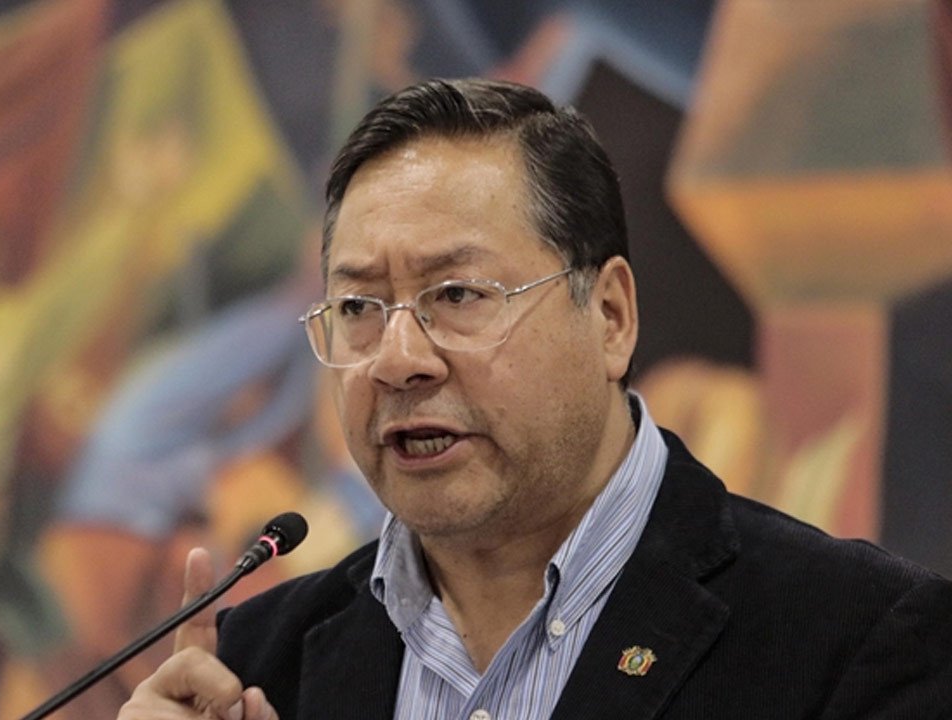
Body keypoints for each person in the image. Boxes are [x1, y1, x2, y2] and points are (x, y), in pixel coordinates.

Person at [116, 78, 952, 720]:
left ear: (611, 316)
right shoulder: (254, 671)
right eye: (359, 307)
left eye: (458, 295)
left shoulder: (856, 638)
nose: (398, 360)